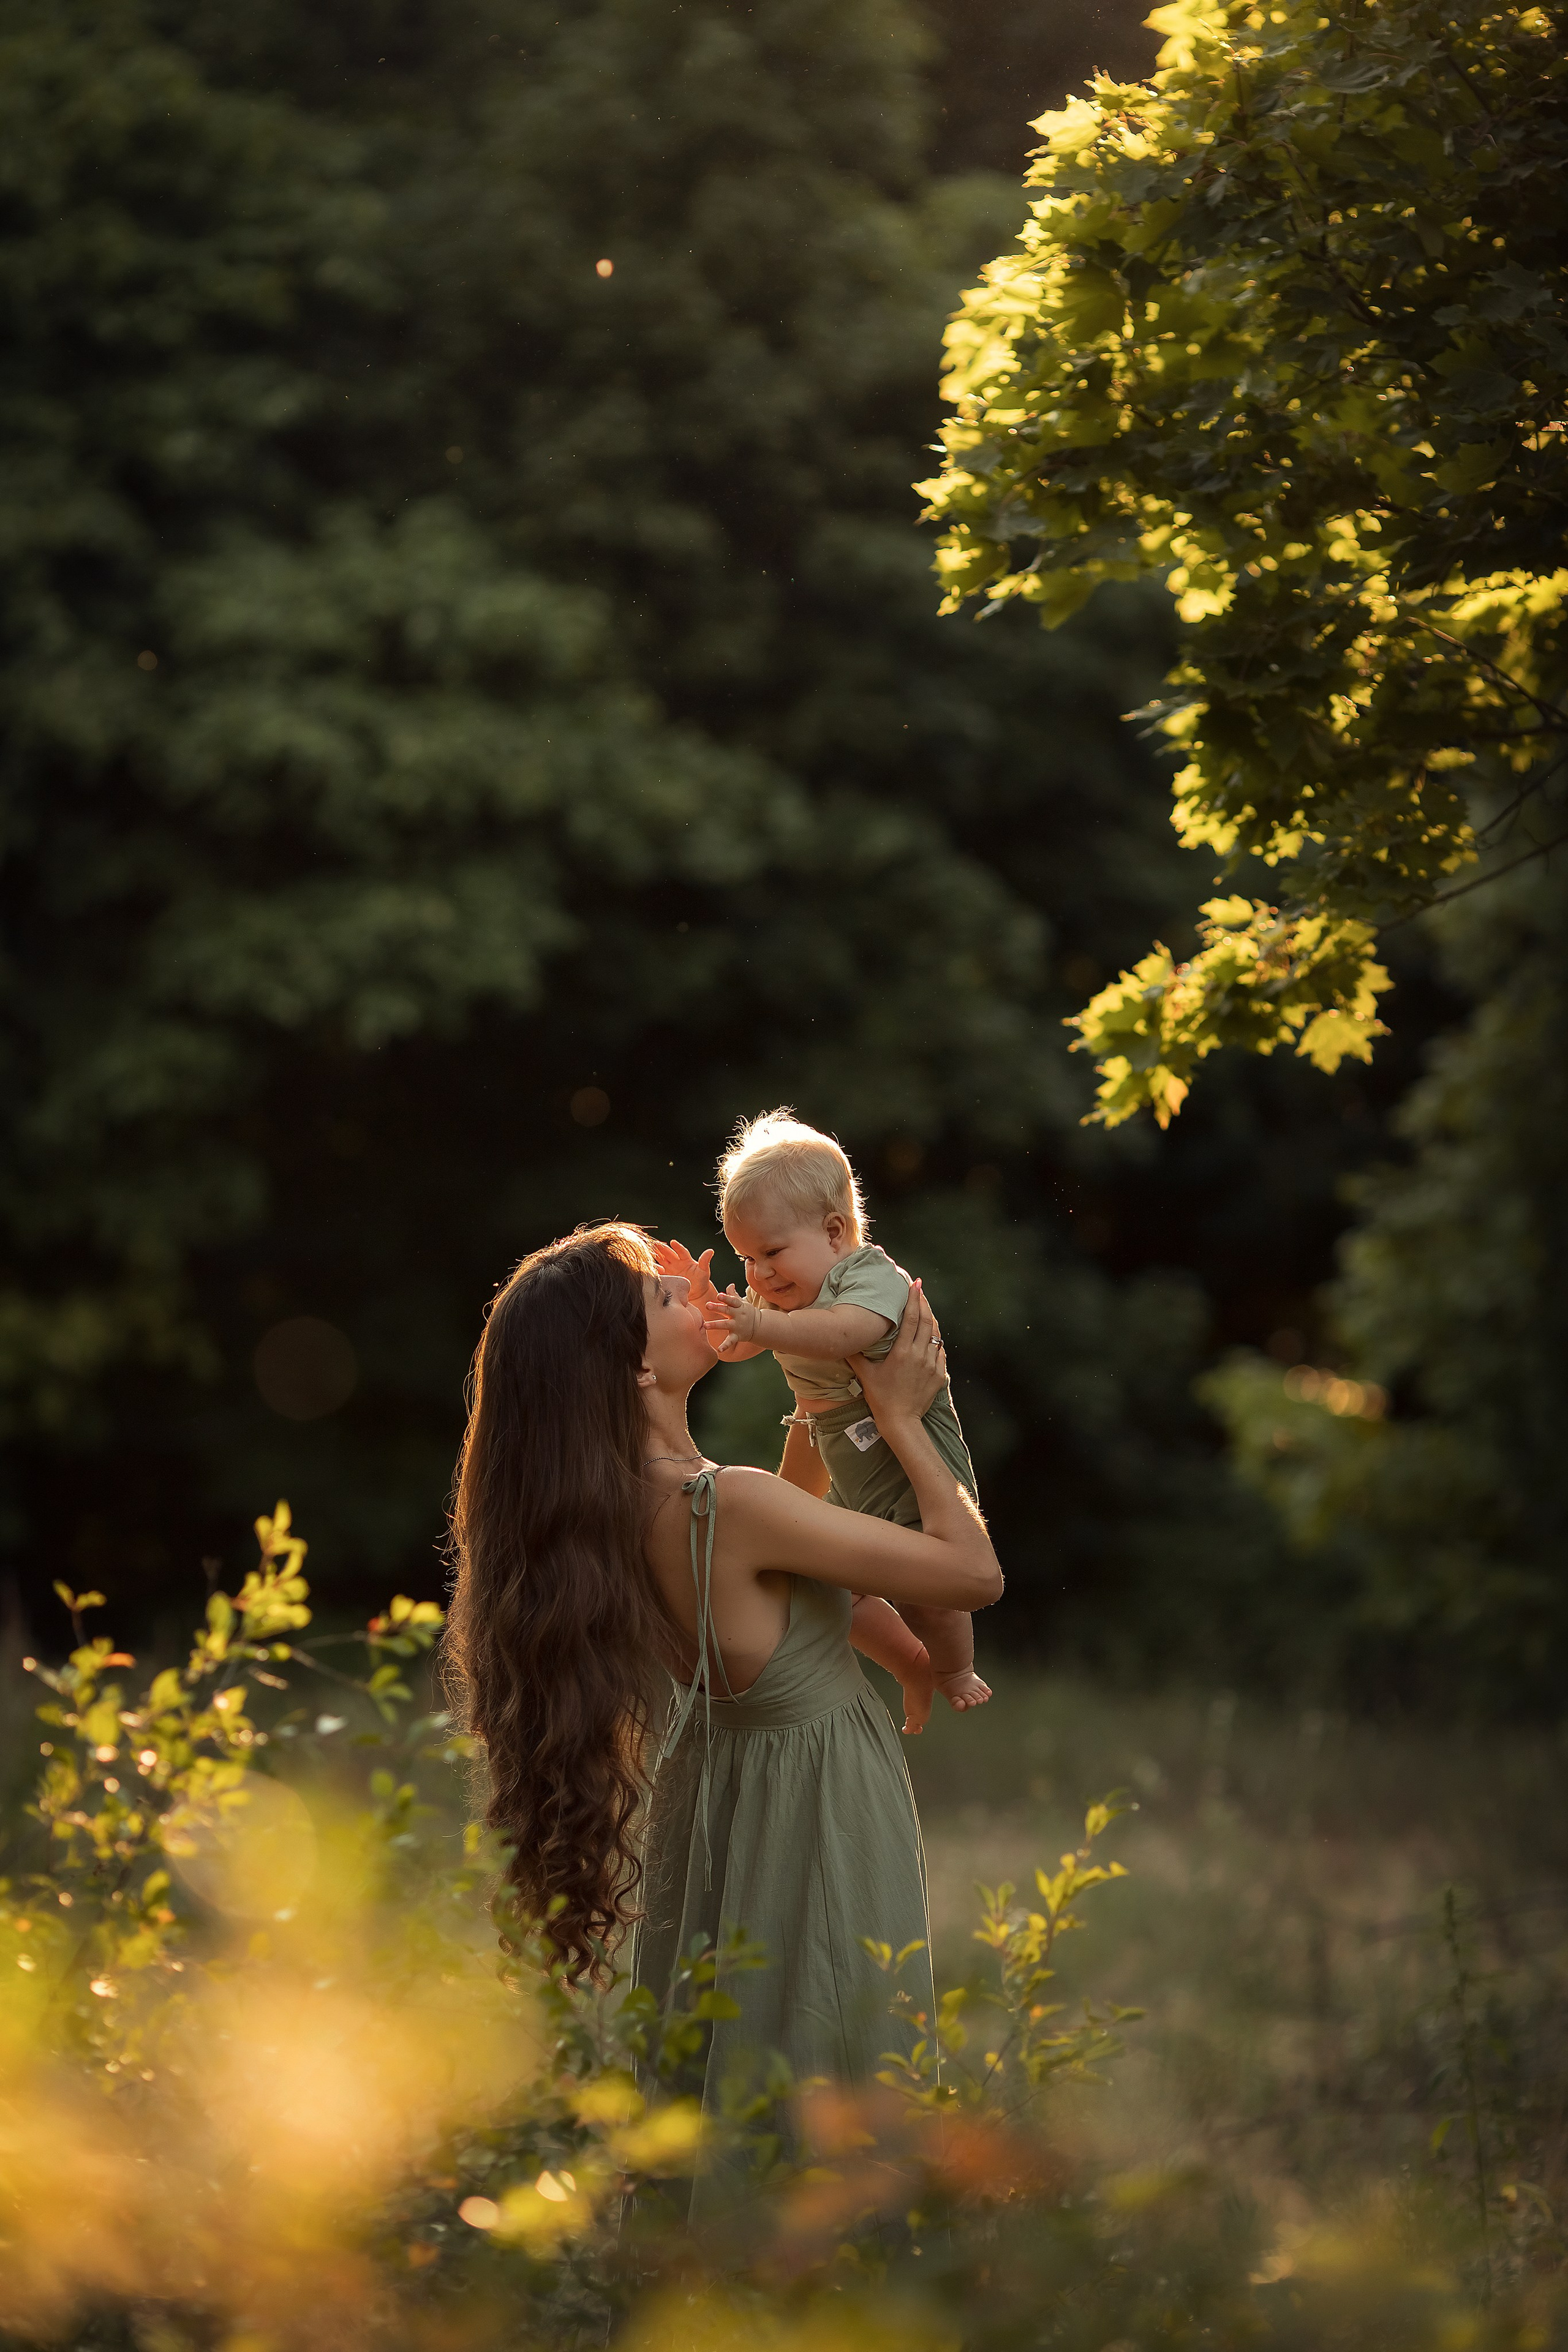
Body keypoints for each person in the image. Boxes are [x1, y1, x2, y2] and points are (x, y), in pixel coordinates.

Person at [442, 1220, 1003, 2160]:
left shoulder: (629, 1509)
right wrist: (900, 1416)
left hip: (733, 1815)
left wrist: (816, 1397)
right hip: (820, 1816)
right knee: (833, 2075)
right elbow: (972, 1575)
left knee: (748, 2084)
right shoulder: (726, 1505)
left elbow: (792, 1577)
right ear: (635, 1371)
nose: (699, 1293)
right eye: (664, 1298)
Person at [655, 1108, 992, 1736]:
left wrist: (764, 1325)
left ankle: (954, 1669)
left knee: (932, 1595)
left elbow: (847, 1333)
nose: (758, 1275)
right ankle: (911, 1663)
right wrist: (714, 1317)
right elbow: (736, 1346)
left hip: (911, 1467)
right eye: (746, 1258)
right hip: (849, 1460)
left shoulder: (867, 1277)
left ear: (836, 1231)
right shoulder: (776, 1298)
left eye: (772, 1252)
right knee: (834, 1585)